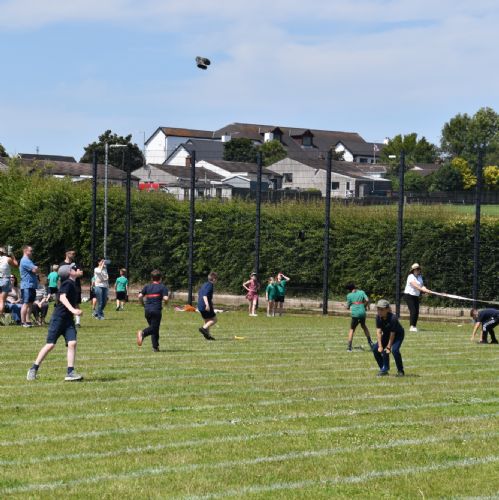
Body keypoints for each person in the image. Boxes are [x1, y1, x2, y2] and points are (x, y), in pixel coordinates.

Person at [26, 263, 84, 381]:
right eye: (75, 268)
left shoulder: (73, 283)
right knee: (50, 344)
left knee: (72, 343)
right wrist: (73, 310)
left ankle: (70, 372)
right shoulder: (67, 283)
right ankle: (33, 369)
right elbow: (62, 297)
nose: (78, 269)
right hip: (58, 318)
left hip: (68, 320)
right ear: (69, 273)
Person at [136, 269, 169, 352]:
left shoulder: (147, 286)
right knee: (154, 328)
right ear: (160, 278)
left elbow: (140, 296)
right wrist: (166, 303)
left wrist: (142, 304)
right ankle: (143, 333)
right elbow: (166, 298)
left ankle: (155, 347)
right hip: (156, 310)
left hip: (147, 310)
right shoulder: (162, 287)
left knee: (154, 327)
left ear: (151, 278)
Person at [372, 299, 405, 377]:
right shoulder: (378, 317)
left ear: (387, 309)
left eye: (382, 309)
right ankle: (384, 369)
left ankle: (400, 371)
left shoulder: (393, 318)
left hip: (398, 335)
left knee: (395, 350)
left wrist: (388, 347)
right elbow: (379, 332)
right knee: (375, 349)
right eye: (378, 309)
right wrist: (380, 346)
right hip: (387, 334)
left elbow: (392, 334)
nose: (379, 311)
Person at [345, 283, 373, 352]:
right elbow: (367, 300)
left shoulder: (349, 295)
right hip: (362, 312)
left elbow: (347, 307)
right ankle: (371, 343)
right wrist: (364, 306)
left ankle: (349, 347)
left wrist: (345, 306)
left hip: (355, 314)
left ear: (349, 289)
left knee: (352, 329)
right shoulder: (361, 292)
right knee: (364, 326)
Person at [403, 263, 431, 332]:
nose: (418, 270)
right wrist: (423, 290)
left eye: (419, 269)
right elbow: (416, 286)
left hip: (416, 295)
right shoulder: (410, 276)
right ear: (413, 270)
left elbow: (422, 286)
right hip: (409, 295)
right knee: (413, 310)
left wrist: (426, 290)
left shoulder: (420, 277)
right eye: (417, 269)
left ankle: (414, 326)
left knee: (417, 311)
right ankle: (411, 326)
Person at [60, 250, 82, 327]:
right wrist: (75, 273)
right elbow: (60, 276)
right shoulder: (62, 264)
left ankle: (77, 322)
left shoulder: (76, 264)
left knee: (76, 303)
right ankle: (65, 321)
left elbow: (80, 273)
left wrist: (72, 274)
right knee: (64, 303)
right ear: (66, 254)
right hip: (65, 287)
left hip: (75, 286)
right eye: (71, 253)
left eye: (74, 254)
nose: (73, 255)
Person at [19, 245, 38, 328]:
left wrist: (35, 268)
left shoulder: (29, 260)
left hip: (31, 285)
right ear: (25, 251)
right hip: (27, 285)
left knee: (30, 304)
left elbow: (35, 269)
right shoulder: (25, 260)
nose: (32, 252)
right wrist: (36, 268)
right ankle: (23, 322)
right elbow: (35, 270)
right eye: (31, 251)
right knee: (26, 303)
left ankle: (28, 321)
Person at [197, 271, 217, 340]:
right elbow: (205, 295)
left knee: (207, 320)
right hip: (205, 305)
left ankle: (207, 335)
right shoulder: (210, 286)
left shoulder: (204, 284)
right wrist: (207, 305)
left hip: (200, 305)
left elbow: (200, 293)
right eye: (216, 279)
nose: (216, 280)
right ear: (213, 279)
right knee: (214, 319)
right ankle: (203, 328)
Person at [0, 245, 18, 319]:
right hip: (5, 279)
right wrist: (12, 256)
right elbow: (16, 265)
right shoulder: (8, 259)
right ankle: (1, 316)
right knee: (2, 301)